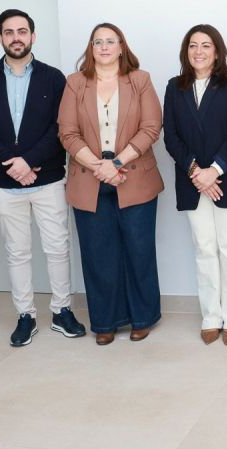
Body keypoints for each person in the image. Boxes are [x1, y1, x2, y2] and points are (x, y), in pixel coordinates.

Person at [0, 9, 84, 347]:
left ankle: (62, 310)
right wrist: (13, 164)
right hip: (5, 183)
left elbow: (61, 127)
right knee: (16, 252)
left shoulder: (53, 78)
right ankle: (26, 315)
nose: (16, 37)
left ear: (33, 36)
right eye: (9, 32)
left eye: (22, 31)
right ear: (1, 37)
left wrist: (30, 161)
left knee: (57, 247)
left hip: (48, 179)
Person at [58, 23, 164, 345]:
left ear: (121, 46)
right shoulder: (75, 83)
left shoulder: (140, 80)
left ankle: (142, 317)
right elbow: (67, 132)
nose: (104, 47)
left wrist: (116, 163)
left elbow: (151, 127)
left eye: (110, 41)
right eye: (98, 42)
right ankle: (105, 321)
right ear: (91, 48)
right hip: (89, 178)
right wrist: (99, 166)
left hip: (133, 175)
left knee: (138, 251)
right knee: (98, 254)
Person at [162, 25, 227, 345]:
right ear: (186, 51)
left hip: (226, 179)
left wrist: (213, 171)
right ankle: (211, 317)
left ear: (217, 50)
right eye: (192, 46)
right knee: (204, 249)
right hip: (192, 182)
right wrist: (195, 172)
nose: (198, 51)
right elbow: (170, 136)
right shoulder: (175, 87)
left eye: (206, 45)